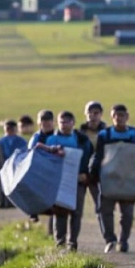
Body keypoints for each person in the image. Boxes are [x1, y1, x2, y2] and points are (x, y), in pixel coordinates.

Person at [90, 104, 135, 253]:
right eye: (115, 115)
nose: (118, 118)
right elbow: (98, 155)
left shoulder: (134, 134)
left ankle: (123, 241)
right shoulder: (104, 135)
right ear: (112, 117)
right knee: (105, 211)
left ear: (127, 117)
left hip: (128, 180)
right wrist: (94, 172)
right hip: (108, 179)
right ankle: (110, 239)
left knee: (127, 214)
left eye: (121, 115)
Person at [43, 111, 93, 251]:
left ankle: (73, 243)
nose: (64, 125)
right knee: (59, 212)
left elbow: (89, 158)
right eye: (61, 122)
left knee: (76, 213)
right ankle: (60, 244)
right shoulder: (51, 140)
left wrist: (85, 174)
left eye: (67, 122)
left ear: (73, 123)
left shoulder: (82, 140)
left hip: (78, 182)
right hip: (58, 182)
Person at [27, 110, 56, 224]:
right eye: (43, 120)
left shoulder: (57, 135)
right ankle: (33, 212)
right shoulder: (36, 137)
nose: (46, 123)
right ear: (39, 122)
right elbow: (30, 153)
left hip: (53, 169)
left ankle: (53, 223)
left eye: (48, 120)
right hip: (39, 169)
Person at [80, 101, 107, 212]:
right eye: (89, 113)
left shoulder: (107, 133)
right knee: (76, 207)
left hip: (99, 173)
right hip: (82, 173)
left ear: (101, 114)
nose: (92, 116)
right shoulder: (80, 133)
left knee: (102, 207)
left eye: (96, 113)